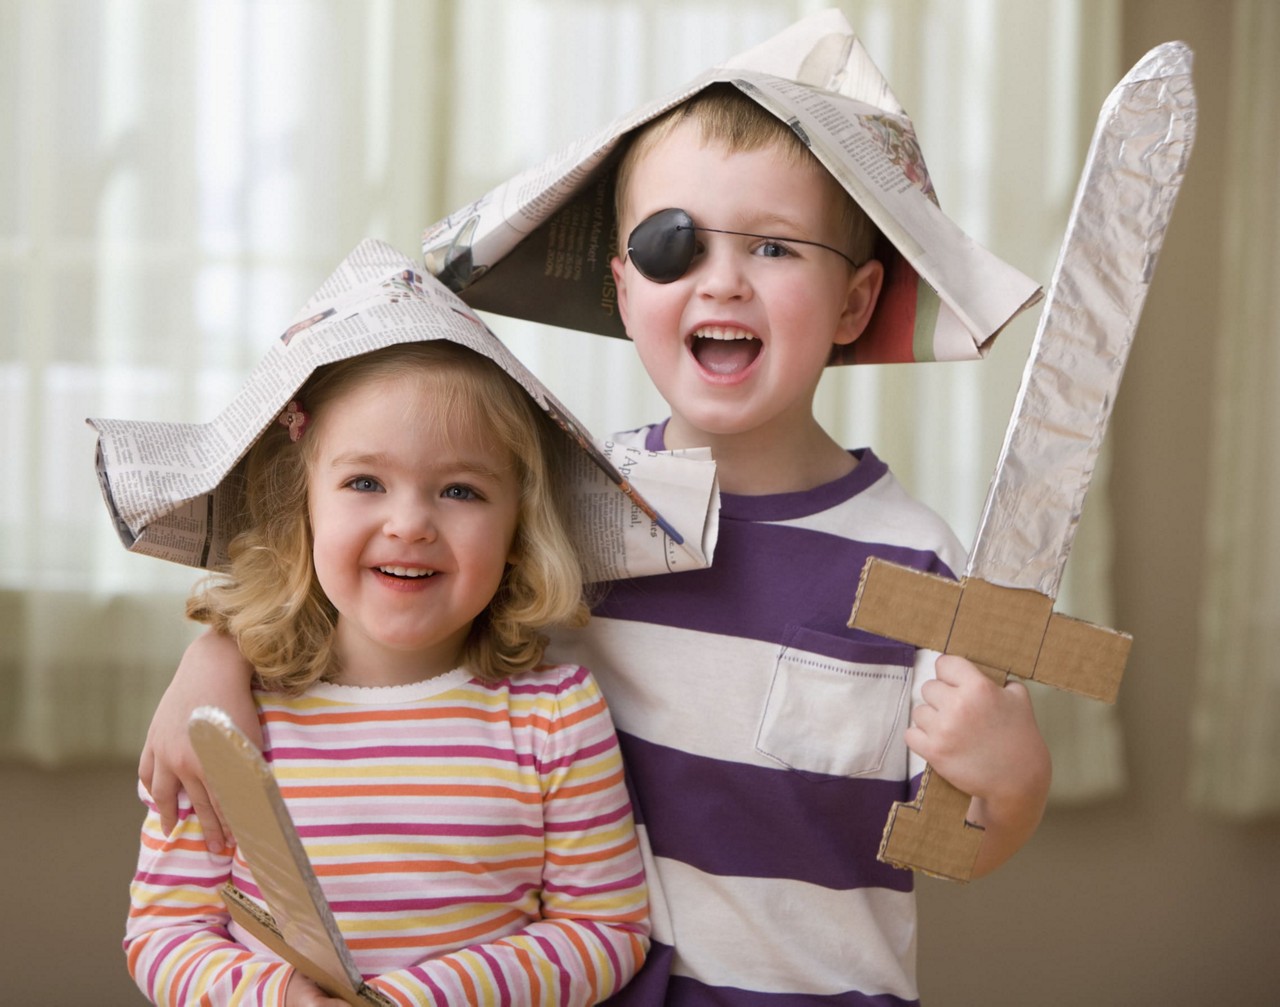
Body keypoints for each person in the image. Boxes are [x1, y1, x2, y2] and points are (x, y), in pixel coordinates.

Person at [138, 86, 1051, 1007]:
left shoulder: (917, 560)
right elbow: (376, 608)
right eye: (674, 244)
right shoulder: (572, 512)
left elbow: (952, 841)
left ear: (855, 301)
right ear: (624, 289)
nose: (723, 282)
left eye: (772, 247)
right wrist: (215, 661)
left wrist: (1012, 786)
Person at [124, 340, 649, 1006]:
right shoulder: (231, 716)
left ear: (518, 528)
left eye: (460, 490)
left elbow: (605, 930)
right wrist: (277, 997)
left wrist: (422, 998)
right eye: (365, 482)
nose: (410, 524)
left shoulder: (557, 716)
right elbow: (166, 932)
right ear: (304, 504)